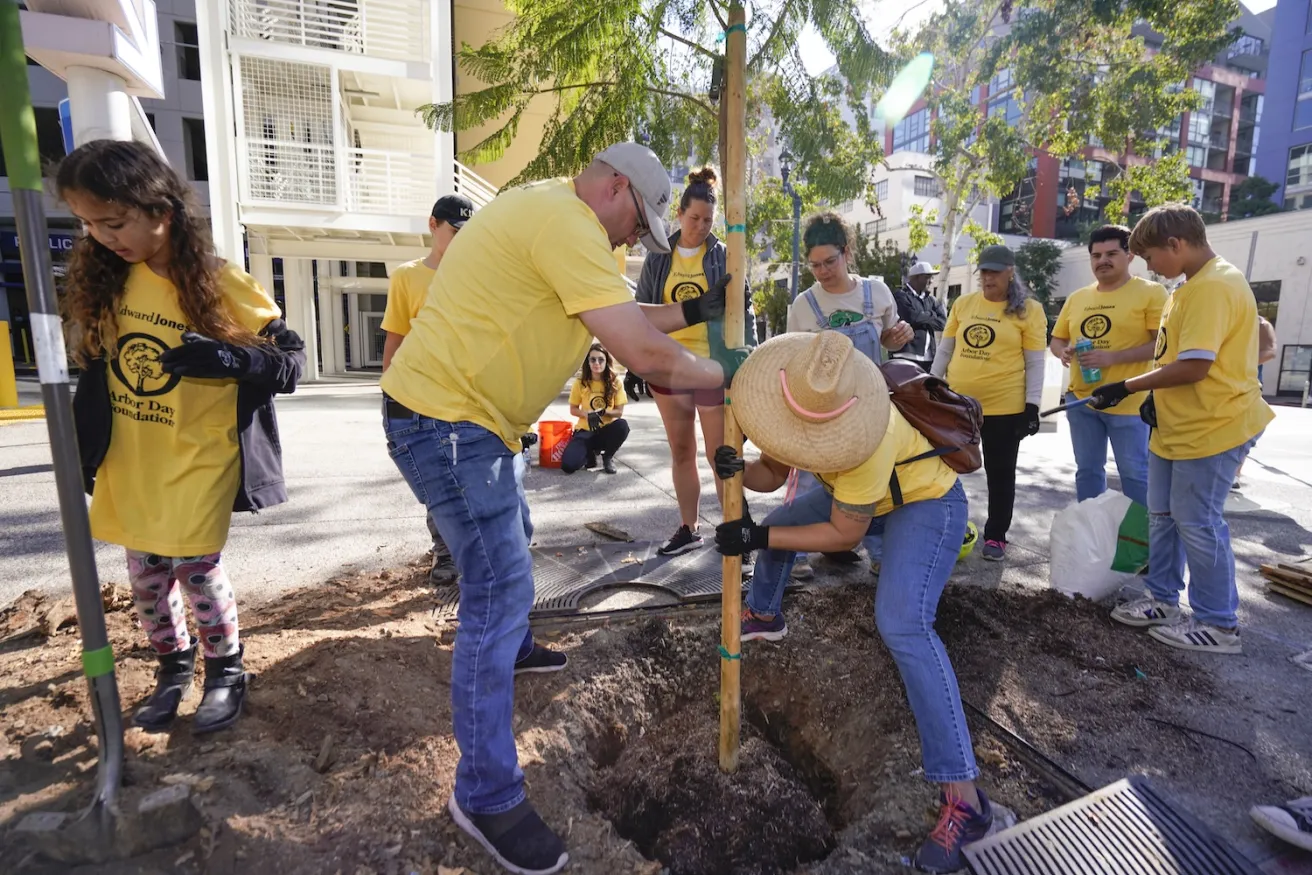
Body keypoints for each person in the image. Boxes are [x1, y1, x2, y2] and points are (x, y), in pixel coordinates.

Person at [379, 142, 747, 875]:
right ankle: (484, 792)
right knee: (498, 589)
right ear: (614, 188)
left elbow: (623, 313)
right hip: (449, 424)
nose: (627, 241)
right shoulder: (569, 225)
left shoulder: (552, 211)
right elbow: (643, 355)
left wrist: (694, 309)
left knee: (512, 532)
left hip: (473, 422)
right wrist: (732, 370)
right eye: (632, 224)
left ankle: (512, 646)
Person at [713, 331, 995, 874]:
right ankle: (764, 614)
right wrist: (734, 468)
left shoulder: (868, 429)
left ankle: (965, 799)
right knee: (781, 523)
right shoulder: (790, 395)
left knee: (904, 625)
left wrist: (757, 540)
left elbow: (843, 534)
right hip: (864, 494)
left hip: (923, 502)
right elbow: (772, 474)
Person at [61, 140, 304, 734]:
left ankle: (226, 672)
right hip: (131, 459)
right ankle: (173, 668)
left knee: (195, 569)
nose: (101, 237)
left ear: (160, 211)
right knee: (146, 576)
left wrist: (227, 357)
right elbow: (91, 368)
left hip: (198, 455)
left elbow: (290, 363)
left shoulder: (221, 285)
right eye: (89, 223)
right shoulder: (110, 282)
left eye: (114, 221)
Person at [1092, 204, 1273, 655]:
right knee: (1162, 518)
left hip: (1213, 426)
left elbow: (1194, 365)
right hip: (1176, 427)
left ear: (1176, 244)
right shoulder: (1186, 287)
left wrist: (1127, 387)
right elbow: (1171, 358)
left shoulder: (1215, 286)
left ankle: (1218, 624)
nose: (1150, 267)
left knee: (1197, 523)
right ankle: (1162, 600)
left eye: (1151, 257)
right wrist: (1154, 398)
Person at [784, 212, 915, 576]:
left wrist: (895, 338)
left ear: (846, 252)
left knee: (875, 477)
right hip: (822, 408)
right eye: (815, 265)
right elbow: (794, 358)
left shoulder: (877, 293)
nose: (823, 271)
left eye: (830, 261)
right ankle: (793, 552)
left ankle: (879, 550)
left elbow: (888, 342)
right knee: (811, 477)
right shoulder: (803, 307)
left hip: (871, 406)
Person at [635, 166, 753, 556]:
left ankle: (738, 529)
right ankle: (689, 528)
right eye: (694, 218)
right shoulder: (659, 255)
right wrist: (638, 361)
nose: (700, 226)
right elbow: (640, 312)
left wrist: (746, 354)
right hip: (669, 364)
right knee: (681, 451)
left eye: (707, 220)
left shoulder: (723, 255)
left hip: (709, 366)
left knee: (719, 453)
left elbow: (743, 307)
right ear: (680, 214)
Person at [380, 194, 475, 584]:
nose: (461, 240)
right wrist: (389, 390)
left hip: (467, 396)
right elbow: (395, 337)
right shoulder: (408, 276)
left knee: (468, 477)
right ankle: (445, 553)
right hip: (420, 396)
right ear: (433, 225)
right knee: (437, 481)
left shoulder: (476, 275)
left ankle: (471, 550)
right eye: (454, 231)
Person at [931, 244, 1046, 562]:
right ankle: (938, 525)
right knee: (941, 467)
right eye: (984, 271)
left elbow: (1035, 362)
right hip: (958, 404)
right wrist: (931, 383)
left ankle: (996, 535)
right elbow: (946, 349)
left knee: (1001, 473)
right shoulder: (964, 304)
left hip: (1004, 408)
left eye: (995, 271)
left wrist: (1031, 406)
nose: (988, 277)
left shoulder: (1029, 311)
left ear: (1011, 272)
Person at [1049, 225, 1166, 506]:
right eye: (1096, 255)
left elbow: (1160, 347)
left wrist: (1112, 357)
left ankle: (1142, 541)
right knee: (1087, 471)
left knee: (1135, 474)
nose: (1103, 261)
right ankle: (1092, 533)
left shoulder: (1152, 293)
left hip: (1129, 402)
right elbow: (1057, 340)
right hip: (1082, 402)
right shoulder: (1078, 298)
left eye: (1112, 253)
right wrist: (1063, 352)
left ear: (1130, 255)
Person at [561, 343, 629, 474]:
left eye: (601, 359)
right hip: (584, 431)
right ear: (588, 362)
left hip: (605, 431)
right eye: (592, 359)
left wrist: (603, 412)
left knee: (622, 426)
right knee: (568, 466)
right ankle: (589, 454)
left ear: (606, 361)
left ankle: (608, 456)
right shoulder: (580, 382)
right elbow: (573, 409)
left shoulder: (616, 381)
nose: (596, 363)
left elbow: (619, 413)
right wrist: (587, 414)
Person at [1234, 314, 1278, 490]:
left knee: (1245, 431)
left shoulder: (1260, 323)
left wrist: (1236, 363)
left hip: (1247, 385)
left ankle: (1234, 473)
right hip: (1224, 382)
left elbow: (1270, 351)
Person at [892, 260, 948, 372]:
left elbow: (943, 323)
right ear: (916, 278)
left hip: (928, 357)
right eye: (928, 277)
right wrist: (932, 315)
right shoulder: (901, 296)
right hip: (905, 355)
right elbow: (911, 317)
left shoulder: (931, 300)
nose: (931, 281)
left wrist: (922, 316)